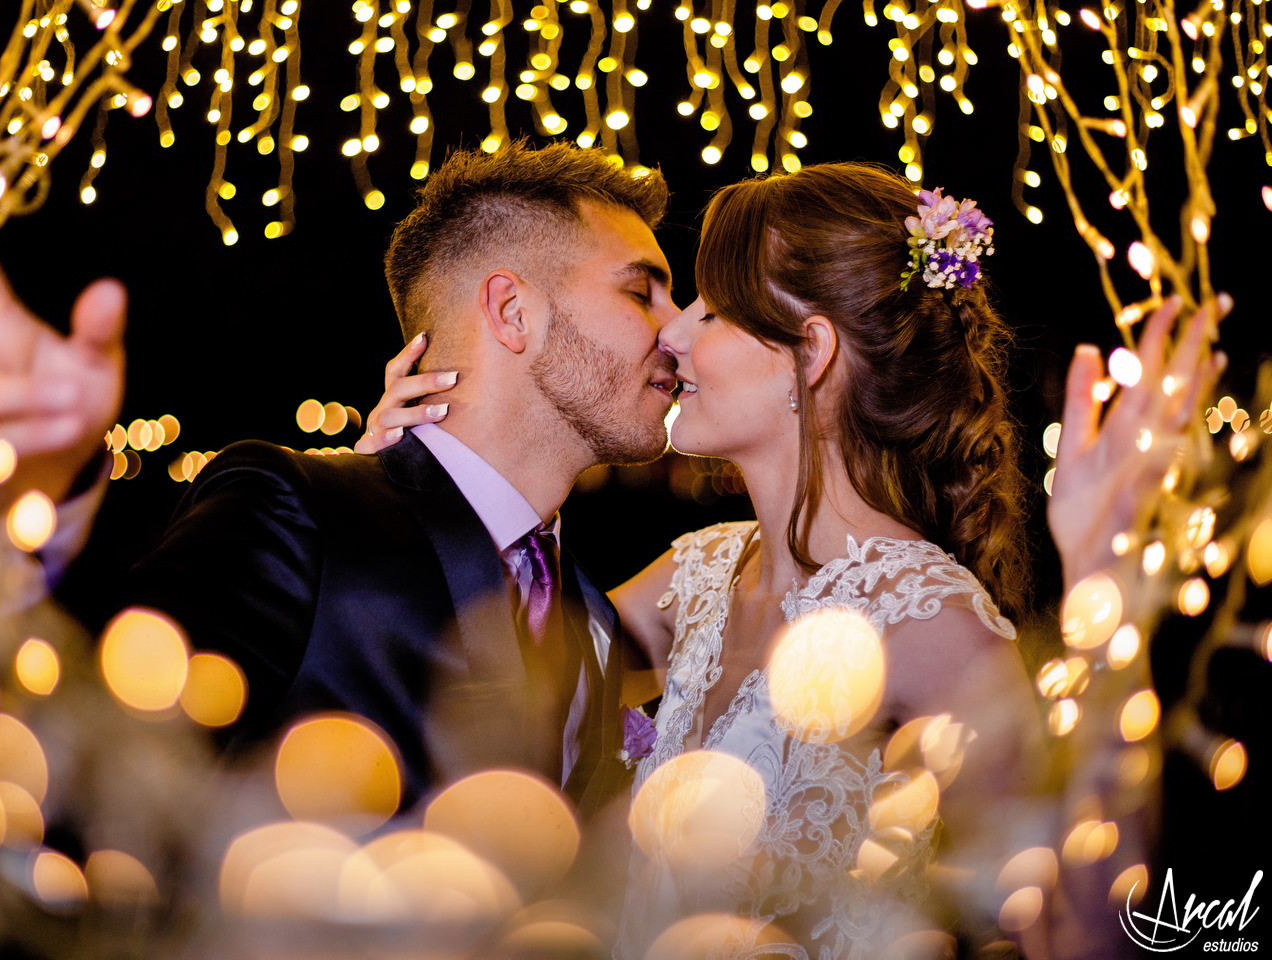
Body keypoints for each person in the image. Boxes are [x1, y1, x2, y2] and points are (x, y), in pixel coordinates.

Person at [358, 163, 1225, 958]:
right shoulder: (691, 580)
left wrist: (1108, 592)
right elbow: (479, 663)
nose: (674, 337)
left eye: (713, 309)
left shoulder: (929, 623)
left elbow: (1079, 931)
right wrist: (402, 483)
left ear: (811, 354)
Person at [0, 140, 683, 815]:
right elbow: (96, 758)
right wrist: (31, 505)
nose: (676, 327)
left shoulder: (585, 612)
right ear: (511, 313)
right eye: (642, 289)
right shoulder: (301, 508)